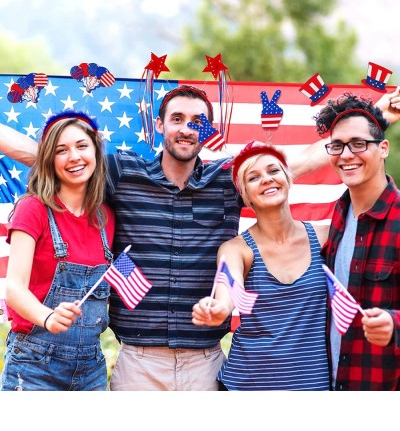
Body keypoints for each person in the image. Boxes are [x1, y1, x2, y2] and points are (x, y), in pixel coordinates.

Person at [0, 84, 398, 391]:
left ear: (207, 130)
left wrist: (378, 114)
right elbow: (46, 154)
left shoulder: (228, 179)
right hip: (138, 362)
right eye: (176, 118)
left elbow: (300, 162)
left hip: (206, 362)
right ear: (160, 125)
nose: (186, 128)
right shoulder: (121, 172)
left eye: (196, 121)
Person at [192, 143, 331, 390]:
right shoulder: (236, 249)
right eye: (254, 177)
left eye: (273, 171)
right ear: (244, 194)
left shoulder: (325, 237)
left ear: (288, 179)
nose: (266, 180)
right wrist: (218, 309)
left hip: (313, 384)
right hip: (248, 384)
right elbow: (229, 292)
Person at [0, 111, 115, 391]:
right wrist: (47, 316)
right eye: (61, 150)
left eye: (81, 146)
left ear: (96, 152)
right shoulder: (33, 208)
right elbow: (14, 288)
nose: (74, 157)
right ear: (49, 160)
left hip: (91, 367)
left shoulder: (106, 217)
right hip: (34, 364)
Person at [313, 92, 400, 391]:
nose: (346, 155)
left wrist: (394, 325)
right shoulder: (339, 214)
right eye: (337, 146)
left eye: (359, 144)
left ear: (383, 148)